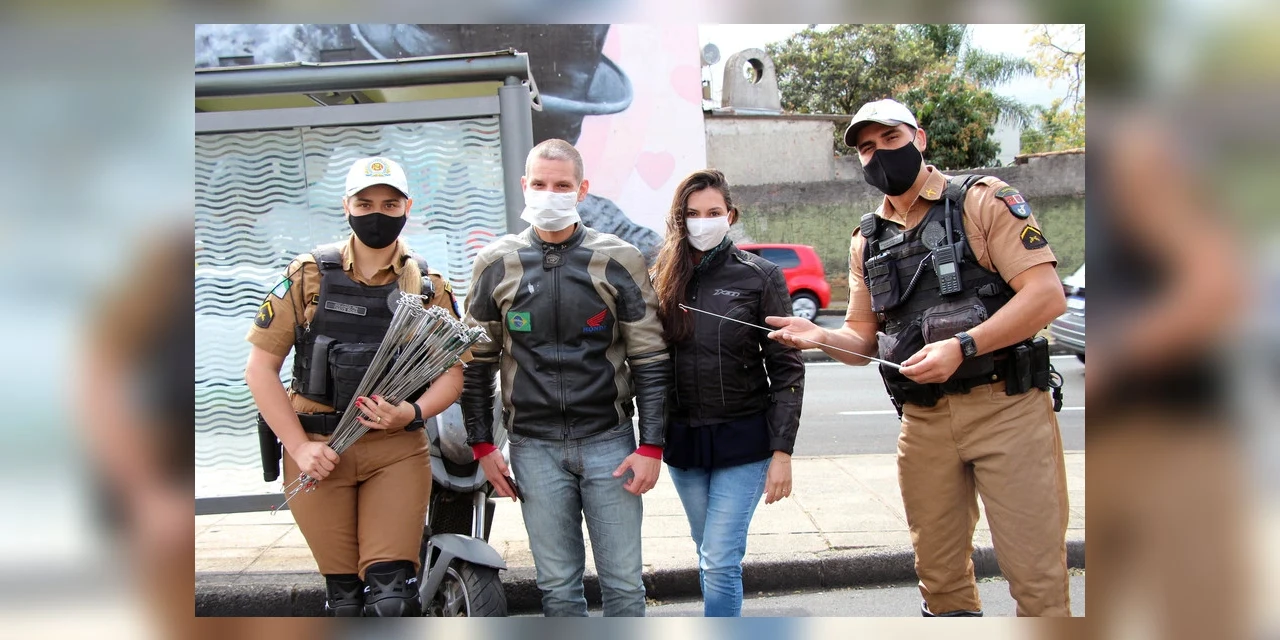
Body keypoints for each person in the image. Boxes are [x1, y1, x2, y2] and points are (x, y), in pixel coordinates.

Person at [767, 99, 1071, 617]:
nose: (879, 154)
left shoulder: (983, 201)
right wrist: (817, 336)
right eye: (866, 148)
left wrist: (963, 346)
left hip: (1006, 408)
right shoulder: (868, 238)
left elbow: (1045, 296)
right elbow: (862, 341)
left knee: (1037, 579)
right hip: (924, 422)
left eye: (890, 139)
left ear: (920, 138)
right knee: (940, 580)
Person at [243, 156, 467, 617]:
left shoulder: (427, 286)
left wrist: (413, 413)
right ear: (347, 205)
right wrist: (300, 447)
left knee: (392, 600)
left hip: (395, 452)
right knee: (345, 602)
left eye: (389, 203)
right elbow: (260, 369)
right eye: (365, 203)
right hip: (318, 454)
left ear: (408, 207)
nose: (377, 213)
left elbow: (451, 373)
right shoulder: (307, 275)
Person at [461, 138, 671, 617]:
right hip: (533, 448)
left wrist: (652, 446)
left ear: (582, 190)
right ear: (524, 186)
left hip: (610, 443)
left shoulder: (619, 259)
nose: (549, 193)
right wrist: (483, 447)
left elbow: (651, 358)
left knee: (623, 587)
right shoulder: (495, 263)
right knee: (557, 589)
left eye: (562, 185)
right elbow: (476, 361)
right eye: (539, 183)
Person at [649, 169, 805, 617]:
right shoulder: (660, 277)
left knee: (718, 559)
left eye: (713, 212)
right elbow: (648, 364)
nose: (703, 221)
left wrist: (782, 452)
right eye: (692, 214)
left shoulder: (761, 276)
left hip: (745, 439)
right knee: (710, 552)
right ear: (679, 220)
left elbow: (787, 367)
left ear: (730, 215)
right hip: (684, 441)